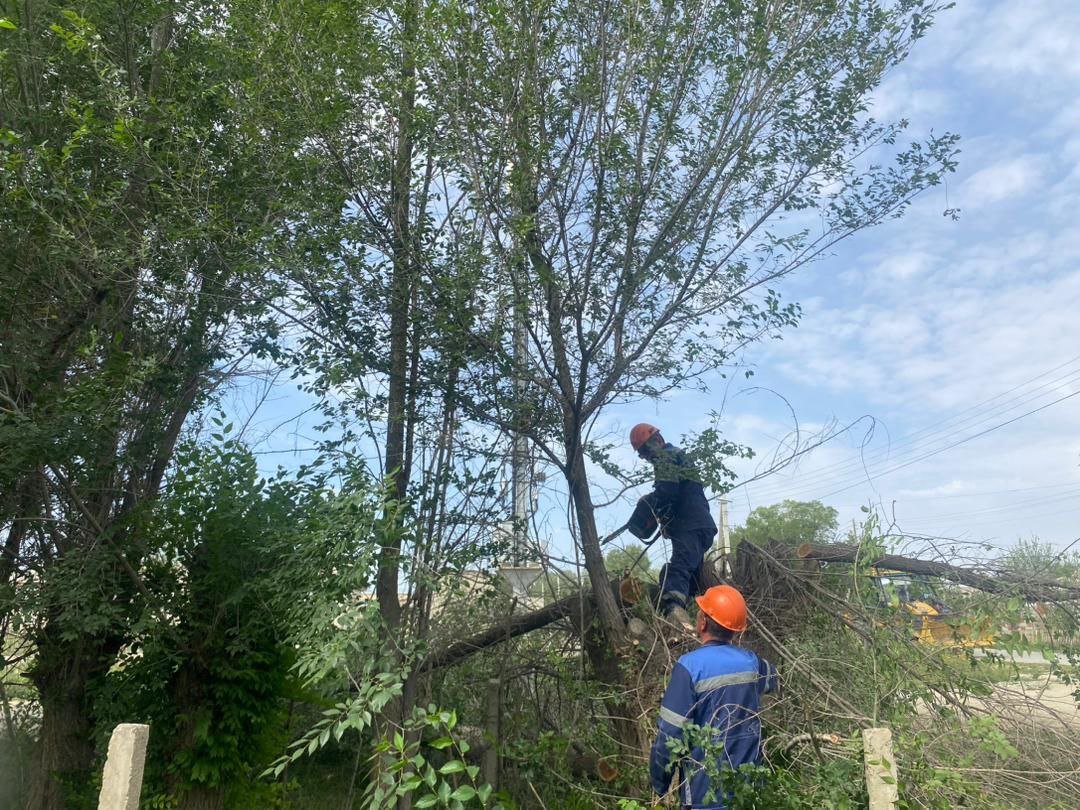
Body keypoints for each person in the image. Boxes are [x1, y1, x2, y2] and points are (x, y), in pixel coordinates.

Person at [649, 585, 778, 809]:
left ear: (703, 622)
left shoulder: (689, 667)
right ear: (736, 629)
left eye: (700, 612)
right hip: (748, 792)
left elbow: (670, 734)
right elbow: (775, 680)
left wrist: (659, 782)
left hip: (704, 795)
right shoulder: (752, 662)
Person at [629, 423, 716, 628]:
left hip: (690, 527)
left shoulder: (666, 456)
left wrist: (650, 501)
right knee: (692, 576)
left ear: (657, 441)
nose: (647, 458)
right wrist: (667, 520)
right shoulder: (678, 456)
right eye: (642, 454)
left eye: (645, 451)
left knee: (678, 570)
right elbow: (676, 495)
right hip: (700, 526)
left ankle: (676, 616)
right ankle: (701, 619)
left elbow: (667, 493)